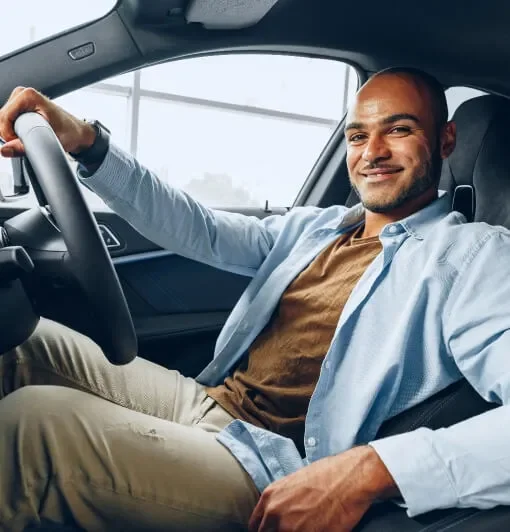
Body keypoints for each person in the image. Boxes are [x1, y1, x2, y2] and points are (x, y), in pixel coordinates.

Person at [0, 67, 509, 531]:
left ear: (445, 140)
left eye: (398, 130)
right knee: (22, 342)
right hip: (208, 402)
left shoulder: (473, 257)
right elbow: (201, 229)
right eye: (358, 135)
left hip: (271, 465)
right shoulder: (321, 227)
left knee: (31, 430)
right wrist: (88, 144)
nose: (372, 151)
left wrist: (373, 469)